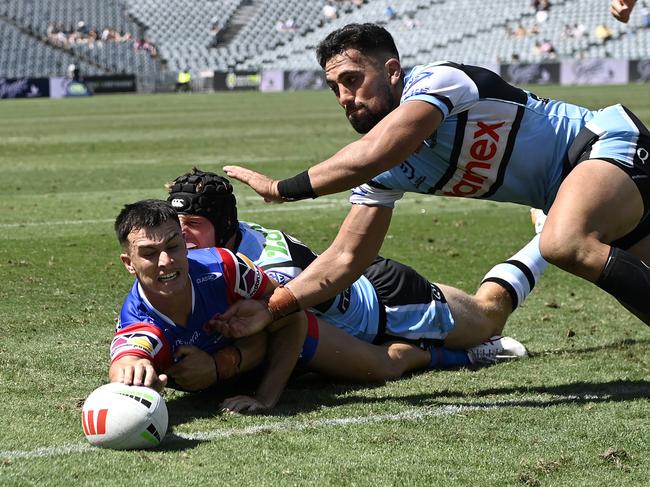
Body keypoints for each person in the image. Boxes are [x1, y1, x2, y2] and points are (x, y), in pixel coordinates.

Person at [215, 23, 650, 338]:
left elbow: (371, 154)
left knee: (562, 241)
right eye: (335, 89)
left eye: (353, 80)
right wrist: (273, 308)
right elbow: (346, 259)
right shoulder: (386, 171)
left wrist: (281, 190)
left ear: (392, 70)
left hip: (602, 145)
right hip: (585, 189)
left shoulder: (439, 80)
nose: (346, 98)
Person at [165, 169, 542, 387]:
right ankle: (458, 351)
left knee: (489, 314)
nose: (182, 236)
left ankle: (546, 239)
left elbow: (275, 332)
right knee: (386, 364)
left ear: (226, 224)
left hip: (389, 303)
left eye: (194, 225)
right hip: (347, 321)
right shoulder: (213, 251)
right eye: (177, 224)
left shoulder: (271, 266)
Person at [110, 199, 309, 411]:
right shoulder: (138, 321)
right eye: (149, 253)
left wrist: (263, 396)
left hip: (297, 347)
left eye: (173, 246)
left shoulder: (223, 267)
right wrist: (132, 374)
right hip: (248, 368)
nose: (165, 261)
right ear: (129, 263)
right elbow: (126, 360)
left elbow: (292, 315)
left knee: (347, 364)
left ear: (185, 243)